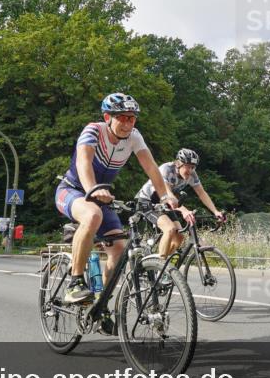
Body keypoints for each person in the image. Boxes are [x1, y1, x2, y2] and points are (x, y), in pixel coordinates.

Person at [54, 92, 178, 304]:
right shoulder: (93, 131)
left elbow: (151, 167)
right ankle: (75, 282)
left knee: (120, 249)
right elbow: (84, 162)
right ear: (107, 117)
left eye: (132, 118)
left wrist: (165, 195)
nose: (127, 123)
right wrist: (92, 189)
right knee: (92, 215)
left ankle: (102, 303)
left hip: (103, 198)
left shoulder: (134, 137)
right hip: (72, 190)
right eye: (121, 117)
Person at [136, 148, 225, 258]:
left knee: (179, 237)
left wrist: (215, 211)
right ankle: (159, 264)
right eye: (188, 166)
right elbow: (167, 194)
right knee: (170, 229)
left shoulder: (192, 174)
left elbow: (202, 193)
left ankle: (161, 268)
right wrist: (184, 210)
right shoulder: (167, 169)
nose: (190, 170)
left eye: (193, 167)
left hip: (165, 203)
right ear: (179, 163)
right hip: (148, 201)